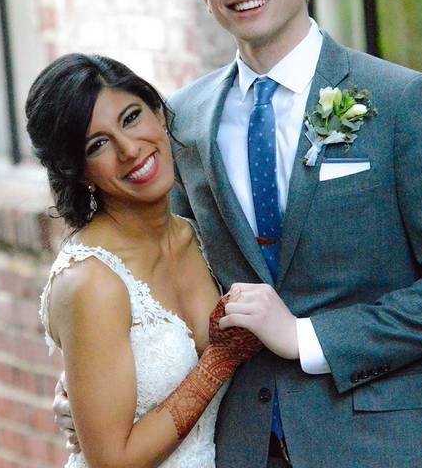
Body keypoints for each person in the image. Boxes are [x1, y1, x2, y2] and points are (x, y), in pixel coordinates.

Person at [53, 0, 422, 468]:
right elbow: (164, 276)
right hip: (240, 444)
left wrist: (307, 337)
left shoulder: (402, 102)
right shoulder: (184, 120)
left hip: (382, 444)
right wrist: (96, 394)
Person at [28, 53, 264, 468]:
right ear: (79, 171)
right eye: (97, 144)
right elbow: (111, 461)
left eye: (131, 117)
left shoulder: (202, 238)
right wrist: (218, 362)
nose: (129, 149)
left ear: (157, 113)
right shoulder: (90, 281)